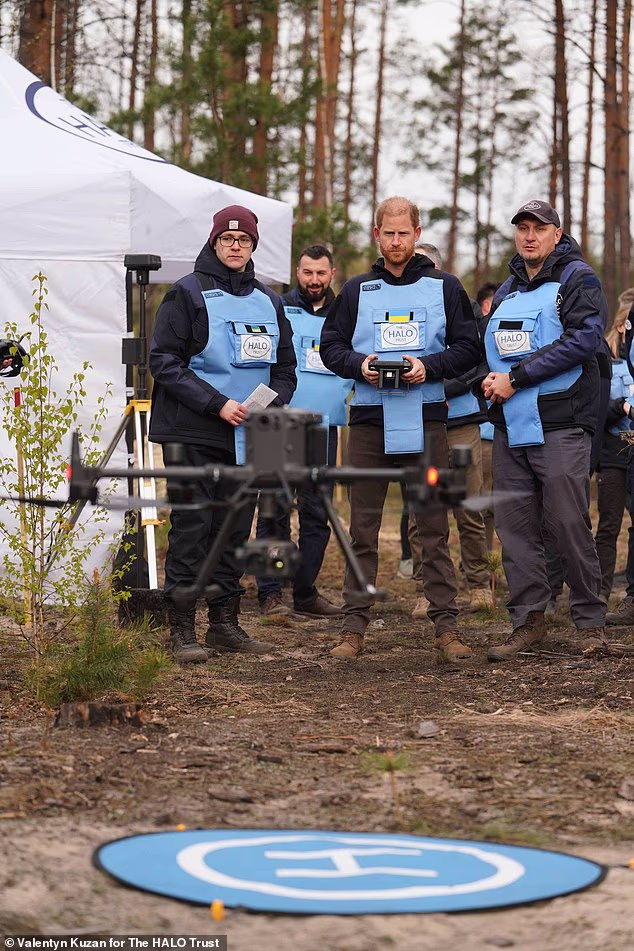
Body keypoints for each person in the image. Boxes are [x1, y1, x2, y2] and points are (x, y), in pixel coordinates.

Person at [320, 196, 481, 661]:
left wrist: (426, 367)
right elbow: (331, 346)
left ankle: (446, 628)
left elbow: (468, 348)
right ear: (377, 235)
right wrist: (360, 364)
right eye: (387, 233)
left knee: (432, 523)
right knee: (362, 528)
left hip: (427, 422)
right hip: (369, 424)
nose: (395, 241)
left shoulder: (445, 287)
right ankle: (353, 629)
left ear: (416, 233)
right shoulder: (355, 290)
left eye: (403, 233)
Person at [149, 204, 297, 663]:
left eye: (245, 240)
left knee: (234, 528)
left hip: (249, 436)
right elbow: (164, 361)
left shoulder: (271, 301)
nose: (236, 246)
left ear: (254, 246)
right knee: (194, 526)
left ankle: (225, 623)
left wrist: (267, 405)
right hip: (194, 430)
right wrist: (218, 404)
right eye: (227, 240)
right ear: (214, 243)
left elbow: (285, 369)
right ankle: (181, 629)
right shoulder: (186, 293)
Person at [482, 199, 608, 660]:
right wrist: (486, 378)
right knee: (514, 529)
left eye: (539, 228)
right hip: (509, 428)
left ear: (557, 233)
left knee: (568, 522)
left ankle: (590, 622)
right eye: (522, 228)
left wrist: (516, 377)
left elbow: (585, 338)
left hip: (560, 424)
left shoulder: (578, 279)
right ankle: (529, 621)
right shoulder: (508, 290)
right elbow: (489, 348)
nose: (529, 236)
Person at [255, 245, 350, 618]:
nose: (314, 280)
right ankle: (270, 593)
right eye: (307, 272)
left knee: (316, 511)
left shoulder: (345, 312)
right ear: (297, 271)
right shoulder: (275, 306)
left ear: (332, 273)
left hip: (321, 428)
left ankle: (305, 591)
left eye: (321, 273)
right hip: (276, 424)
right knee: (273, 509)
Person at [408, 242, 492, 618]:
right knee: (422, 508)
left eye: (429, 264)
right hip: (419, 422)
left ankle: (478, 584)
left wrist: (440, 386)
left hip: (459, 420)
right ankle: (428, 589)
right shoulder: (399, 305)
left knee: (468, 504)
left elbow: (476, 360)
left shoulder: (462, 303)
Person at [594, 291, 634, 601]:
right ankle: (599, 593)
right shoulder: (605, 358)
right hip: (612, 451)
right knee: (608, 526)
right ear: (622, 325)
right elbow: (595, 410)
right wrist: (621, 407)